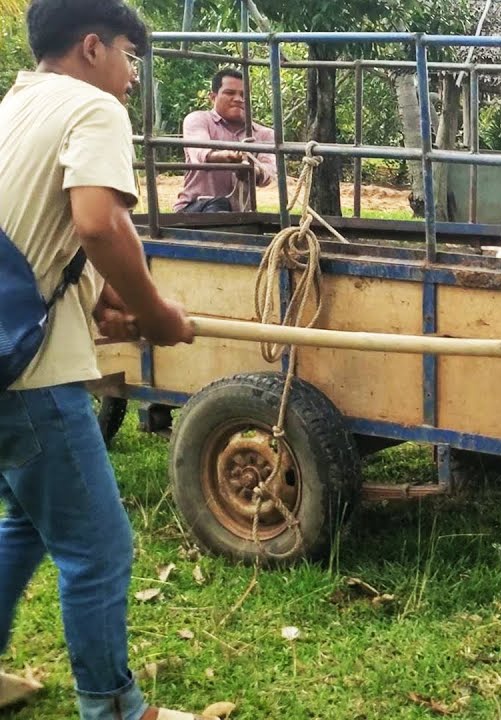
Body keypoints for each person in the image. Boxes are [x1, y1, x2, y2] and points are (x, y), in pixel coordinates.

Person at [0, 1, 214, 718]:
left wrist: (94, 303)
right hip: (35, 377)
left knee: (28, 524)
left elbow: (31, 236)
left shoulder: (17, 106)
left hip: (5, 359)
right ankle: (116, 706)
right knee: (99, 547)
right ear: (92, 48)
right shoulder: (92, 107)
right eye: (128, 54)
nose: (130, 76)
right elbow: (97, 221)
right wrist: (155, 314)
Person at [173, 68, 275, 213]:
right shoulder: (198, 119)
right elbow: (201, 152)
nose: (238, 99)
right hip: (195, 208)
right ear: (213, 97)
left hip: (240, 214)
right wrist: (226, 157)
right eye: (230, 93)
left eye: (244, 94)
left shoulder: (264, 134)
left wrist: (251, 171)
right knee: (219, 205)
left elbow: (269, 172)